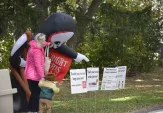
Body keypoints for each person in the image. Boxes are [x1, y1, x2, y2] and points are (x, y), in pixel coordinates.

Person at [24, 33, 49, 113]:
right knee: (36, 94)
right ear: (40, 41)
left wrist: (48, 43)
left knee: (34, 93)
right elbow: (38, 65)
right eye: (44, 40)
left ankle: (32, 110)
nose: (45, 41)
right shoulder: (36, 51)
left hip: (32, 75)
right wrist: (42, 76)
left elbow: (44, 43)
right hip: (35, 76)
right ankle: (33, 111)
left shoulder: (34, 46)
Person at [9, 31, 31, 113]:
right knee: (20, 104)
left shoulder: (29, 53)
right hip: (17, 85)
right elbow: (13, 62)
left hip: (27, 84)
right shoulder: (17, 56)